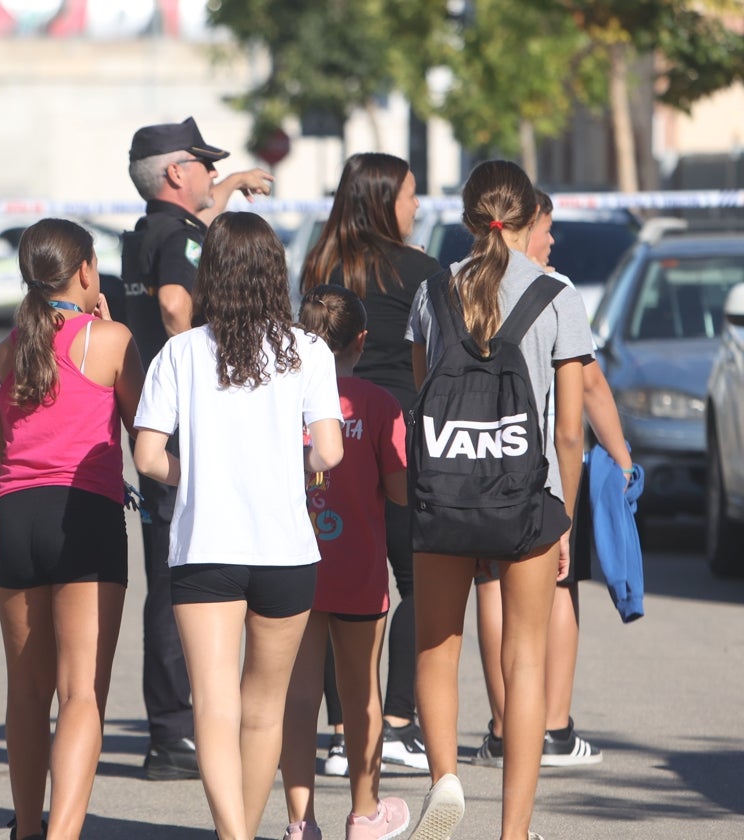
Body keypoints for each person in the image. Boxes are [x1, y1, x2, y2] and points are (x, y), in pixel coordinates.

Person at [133, 212, 344, 840]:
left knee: (215, 709)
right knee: (263, 710)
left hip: (205, 546)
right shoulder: (309, 350)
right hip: (286, 549)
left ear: (211, 274)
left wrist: (192, 472)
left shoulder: (179, 352)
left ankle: (234, 834)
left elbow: (146, 455)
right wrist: (290, 464)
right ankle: (242, 831)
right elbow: (330, 451)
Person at [404, 160, 591, 840]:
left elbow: (425, 402)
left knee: (436, 648)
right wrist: (563, 512)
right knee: (525, 658)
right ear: (525, 217)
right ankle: (513, 832)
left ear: (468, 215)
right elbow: (569, 429)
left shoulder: (434, 293)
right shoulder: (556, 295)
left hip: (446, 494)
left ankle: (446, 780)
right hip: (526, 497)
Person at [123, 116, 275, 780]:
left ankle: (172, 727)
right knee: (178, 576)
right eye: (207, 167)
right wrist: (210, 365)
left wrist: (229, 190)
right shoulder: (179, 239)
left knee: (168, 570)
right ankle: (176, 731)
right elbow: (179, 305)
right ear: (176, 173)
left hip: (148, 418)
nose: (215, 176)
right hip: (181, 428)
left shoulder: (145, 233)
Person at [0, 218, 145, 840]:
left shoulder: (5, 352)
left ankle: (27, 827)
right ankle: (63, 834)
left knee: (27, 693)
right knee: (82, 695)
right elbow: (146, 427)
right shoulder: (107, 340)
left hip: (16, 516)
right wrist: (102, 326)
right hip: (84, 514)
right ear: (84, 271)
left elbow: (0, 460)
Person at [473, 189, 632, 769]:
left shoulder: (455, 284)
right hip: (538, 469)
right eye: (547, 227)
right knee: (558, 585)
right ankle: (553, 728)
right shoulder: (556, 292)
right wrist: (620, 457)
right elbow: (585, 393)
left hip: (473, 462)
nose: (552, 240)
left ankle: (500, 727)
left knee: (490, 584)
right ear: (522, 226)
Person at [300, 152, 441, 773]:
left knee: (328, 582)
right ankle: (398, 722)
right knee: (417, 580)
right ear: (386, 199)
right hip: (401, 429)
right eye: (411, 194)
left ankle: (340, 731)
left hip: (331, 430)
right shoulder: (424, 272)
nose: (417, 205)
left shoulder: (319, 264)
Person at [279, 285, 411, 840]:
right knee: (362, 694)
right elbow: (402, 492)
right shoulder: (379, 405)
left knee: (299, 696)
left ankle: (299, 822)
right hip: (359, 569)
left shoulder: (283, 398)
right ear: (362, 340)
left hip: (293, 564)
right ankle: (364, 813)